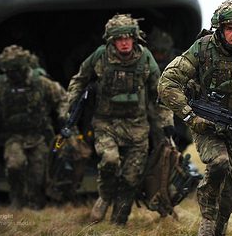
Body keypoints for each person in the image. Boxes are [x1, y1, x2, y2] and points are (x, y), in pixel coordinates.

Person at [158, 0, 232, 236]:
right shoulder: (202, 48)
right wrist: (191, 117)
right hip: (206, 125)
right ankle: (207, 220)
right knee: (219, 162)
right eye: (230, 29)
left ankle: (220, 225)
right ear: (220, 29)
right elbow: (167, 82)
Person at [67, 14, 172, 225]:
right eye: (119, 39)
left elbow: (159, 94)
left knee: (131, 178)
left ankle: (118, 223)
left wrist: (167, 122)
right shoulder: (100, 56)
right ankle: (105, 196)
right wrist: (70, 104)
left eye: (127, 38)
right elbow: (79, 80)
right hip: (106, 124)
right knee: (110, 161)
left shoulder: (145, 58)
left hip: (137, 128)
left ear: (135, 38)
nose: (124, 43)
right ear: (111, 40)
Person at [0, 45, 68, 209]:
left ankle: (36, 205)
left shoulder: (41, 83)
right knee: (14, 166)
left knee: (38, 174)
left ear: (23, 67)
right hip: (13, 136)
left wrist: (63, 116)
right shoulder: (3, 85)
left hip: (38, 136)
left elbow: (62, 98)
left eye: (15, 70)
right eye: (9, 71)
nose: (12, 75)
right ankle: (17, 198)